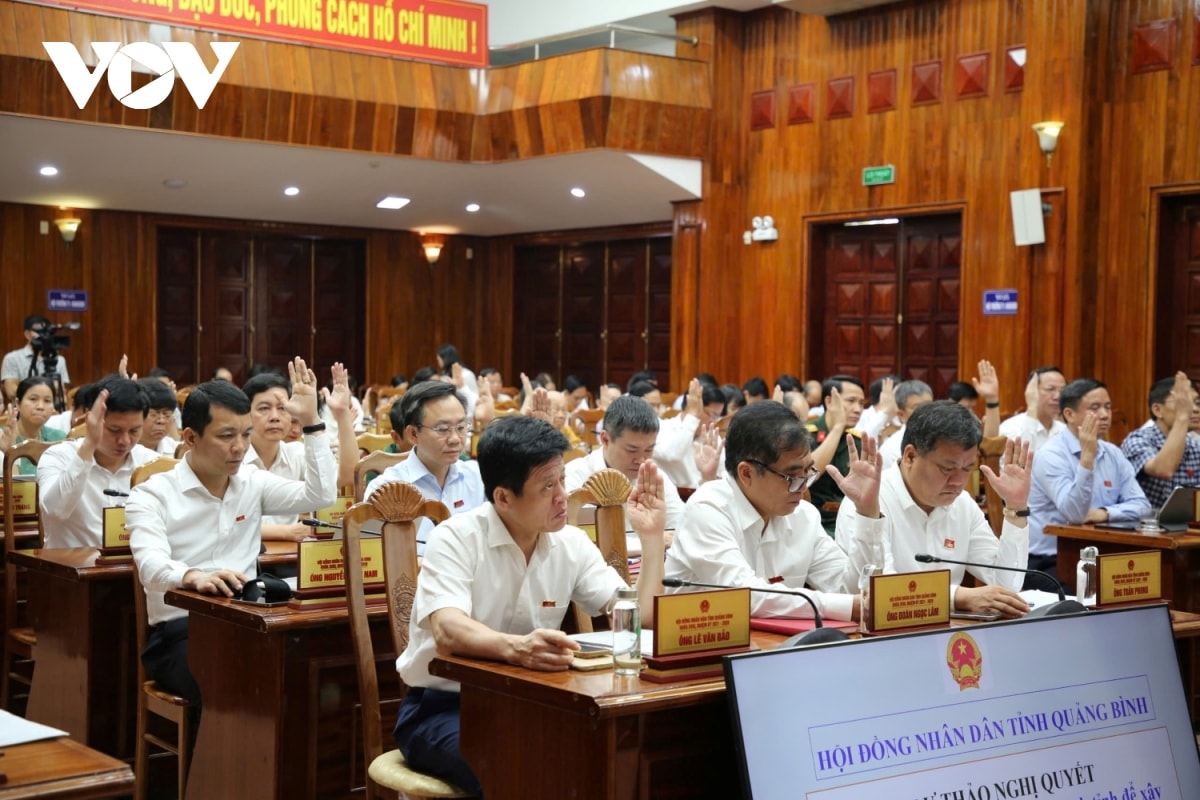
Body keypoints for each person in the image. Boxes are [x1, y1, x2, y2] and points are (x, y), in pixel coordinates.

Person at [393, 415, 667, 793]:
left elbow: (641, 619)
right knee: (521, 763)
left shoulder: (571, 543)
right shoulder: (455, 538)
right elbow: (448, 629)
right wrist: (517, 648)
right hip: (445, 707)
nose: (562, 496)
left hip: (536, 703)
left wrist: (652, 540)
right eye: (547, 486)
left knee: (612, 754)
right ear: (504, 497)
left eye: (563, 480)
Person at [126, 362, 337, 707]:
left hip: (249, 619)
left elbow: (322, 495)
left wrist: (312, 422)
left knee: (312, 672)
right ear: (191, 438)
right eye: (226, 436)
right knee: (237, 680)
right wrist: (193, 576)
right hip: (182, 629)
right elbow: (150, 566)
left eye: (245, 435)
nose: (239, 447)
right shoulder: (152, 494)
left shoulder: (252, 482)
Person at [835, 400, 1034, 618]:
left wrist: (1016, 508)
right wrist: (958, 597)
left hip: (949, 630)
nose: (958, 481)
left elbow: (1007, 584)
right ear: (910, 456)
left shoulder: (963, 504)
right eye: (947, 468)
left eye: (967, 468)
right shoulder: (867, 501)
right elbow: (875, 591)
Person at [664, 400, 860, 620]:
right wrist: (845, 606)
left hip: (773, 638)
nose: (803, 487)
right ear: (746, 473)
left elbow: (850, 590)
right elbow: (745, 597)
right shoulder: (707, 510)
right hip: (700, 636)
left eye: (807, 472)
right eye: (792, 477)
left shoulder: (804, 515)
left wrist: (867, 512)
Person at [1027, 379, 1151, 582]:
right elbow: (1075, 514)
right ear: (1069, 414)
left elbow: (1143, 505)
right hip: (1051, 561)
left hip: (1104, 555)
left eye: (1107, 407)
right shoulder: (1050, 455)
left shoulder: (1113, 453)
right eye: (1095, 408)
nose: (1105, 414)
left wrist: (1104, 513)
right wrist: (1087, 458)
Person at [38, 376, 160, 548]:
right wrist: (89, 444)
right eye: (114, 430)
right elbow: (55, 512)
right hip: (70, 562)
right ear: (91, 420)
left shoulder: (152, 463)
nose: (124, 441)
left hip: (133, 562)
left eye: (134, 431)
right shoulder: (58, 456)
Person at [363, 381, 486, 548]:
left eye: (461, 427)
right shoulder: (386, 489)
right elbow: (373, 554)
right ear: (413, 434)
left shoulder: (478, 476)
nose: (455, 439)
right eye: (443, 429)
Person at [242, 366, 358, 541]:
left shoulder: (296, 453)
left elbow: (346, 477)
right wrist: (285, 532)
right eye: (264, 408)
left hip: (288, 553)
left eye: (282, 408)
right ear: (245, 414)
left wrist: (342, 415)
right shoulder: (233, 459)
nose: (275, 416)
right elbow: (223, 524)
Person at [566, 395, 686, 533]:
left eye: (649, 450)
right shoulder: (574, 477)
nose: (641, 460)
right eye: (632, 450)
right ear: (605, 439)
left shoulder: (655, 478)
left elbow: (681, 528)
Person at [1121, 371, 1200, 508]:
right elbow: (1164, 470)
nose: (1194, 409)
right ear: (1157, 410)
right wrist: (1182, 417)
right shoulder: (1137, 440)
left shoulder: (1194, 445)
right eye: (1183, 404)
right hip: (1144, 519)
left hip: (1186, 519)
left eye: (1197, 403)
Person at [807, 374, 866, 535]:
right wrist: (837, 427)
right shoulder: (805, 435)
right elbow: (808, 475)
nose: (858, 409)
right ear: (829, 402)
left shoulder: (857, 441)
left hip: (848, 523)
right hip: (815, 523)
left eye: (861, 403)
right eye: (851, 401)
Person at [652, 378, 725, 490]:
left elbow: (723, 473)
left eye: (717, 416)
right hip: (671, 495)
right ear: (690, 406)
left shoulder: (711, 436)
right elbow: (672, 455)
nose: (713, 421)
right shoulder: (661, 428)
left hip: (704, 494)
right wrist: (693, 416)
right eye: (710, 414)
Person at [0, 377, 68, 475]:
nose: (40, 406)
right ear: (18, 403)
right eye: (33, 399)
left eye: (47, 401)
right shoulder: (3, 437)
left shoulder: (59, 438)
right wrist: (9, 452)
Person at [999, 366, 1067, 455]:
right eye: (1050, 389)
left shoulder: (1064, 430)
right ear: (1031, 391)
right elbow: (1023, 460)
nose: (1058, 396)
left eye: (1063, 391)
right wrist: (1032, 407)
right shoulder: (1011, 427)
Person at [2, 315, 70, 403]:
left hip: (52, 408)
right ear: (27, 334)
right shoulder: (12, 358)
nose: (43, 335)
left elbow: (61, 391)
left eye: (46, 332)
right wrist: (45, 394)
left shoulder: (59, 360)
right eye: (39, 331)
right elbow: (11, 392)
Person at [877, 380, 933, 468]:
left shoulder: (941, 438)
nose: (926, 413)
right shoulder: (891, 449)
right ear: (901, 415)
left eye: (929, 406)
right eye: (918, 408)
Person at [136, 377, 181, 456]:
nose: (161, 421)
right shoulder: (121, 452)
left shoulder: (177, 451)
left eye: (166, 415)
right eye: (153, 414)